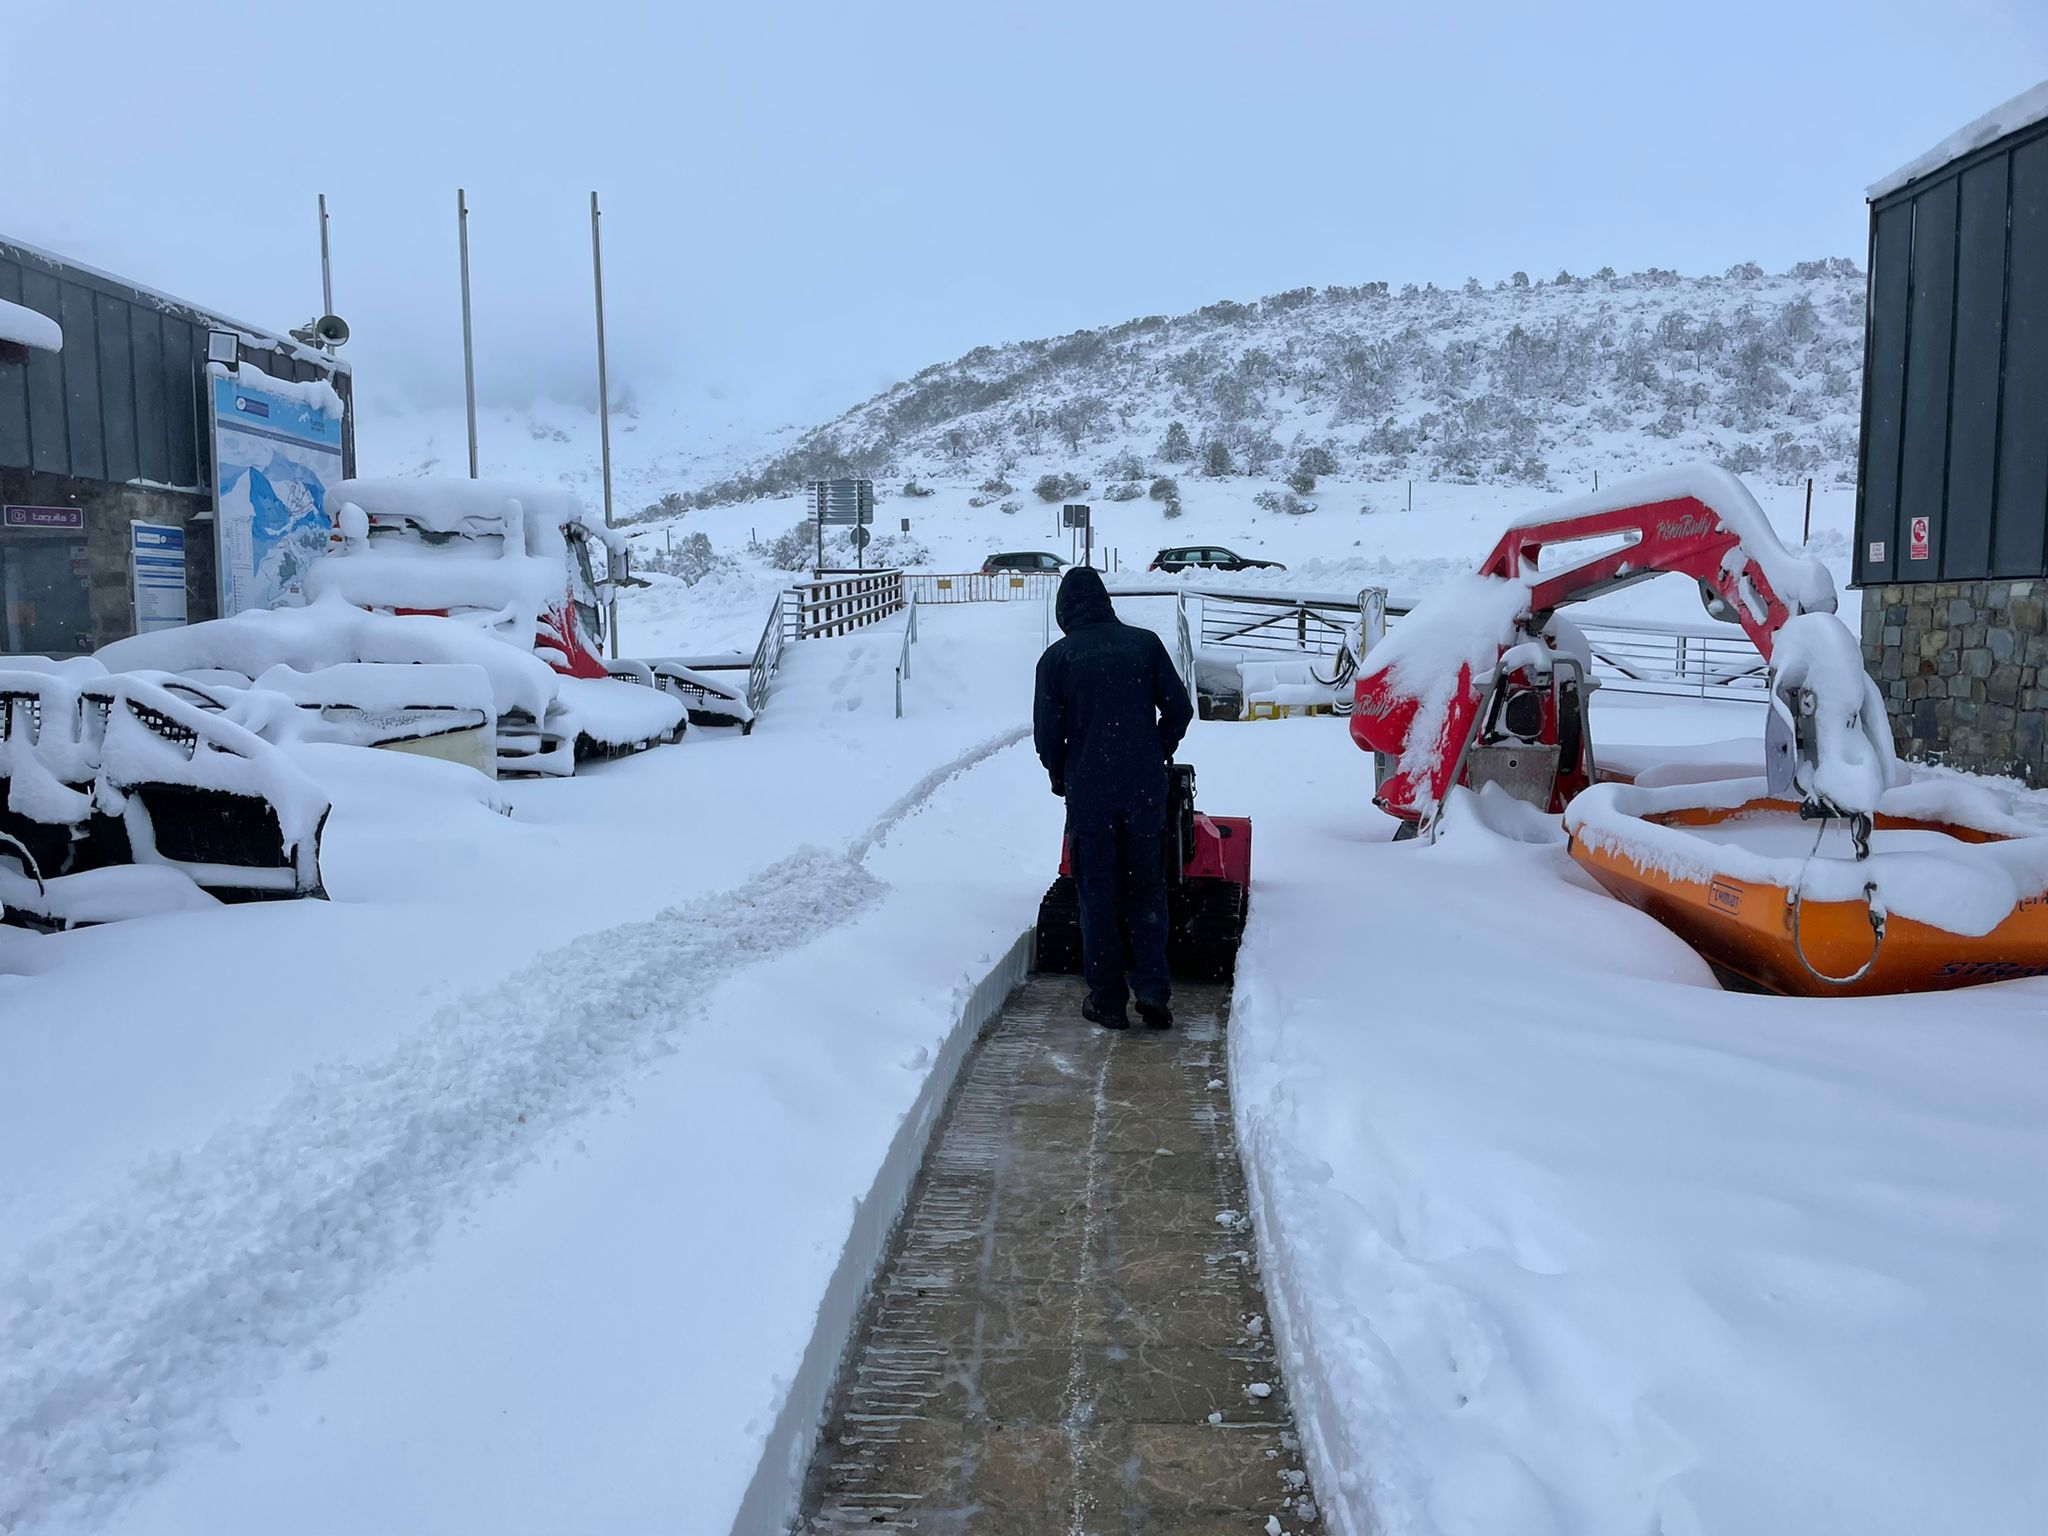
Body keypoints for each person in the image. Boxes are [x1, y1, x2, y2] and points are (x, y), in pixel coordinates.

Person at [1033, 564, 1194, 1030]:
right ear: (1106, 603)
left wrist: (1061, 774)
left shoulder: (1057, 659)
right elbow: (1180, 709)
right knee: (1148, 889)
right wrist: (1156, 749)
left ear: (1065, 611)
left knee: (1097, 895)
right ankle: (1152, 989)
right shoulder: (1143, 644)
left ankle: (1107, 1000)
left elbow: (1047, 734)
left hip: (1090, 794)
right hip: (1144, 790)